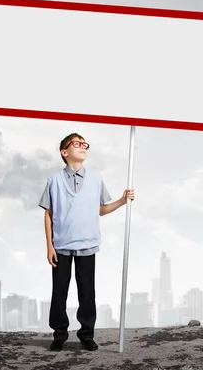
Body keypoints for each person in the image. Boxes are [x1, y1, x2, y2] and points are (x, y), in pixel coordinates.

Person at [38, 133, 135, 351]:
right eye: (77, 144)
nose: (83, 147)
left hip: (87, 244)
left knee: (87, 292)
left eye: (85, 144)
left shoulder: (96, 179)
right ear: (65, 152)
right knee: (59, 291)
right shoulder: (53, 181)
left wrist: (122, 200)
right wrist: (49, 245)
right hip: (61, 246)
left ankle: (86, 334)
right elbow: (48, 214)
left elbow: (100, 209)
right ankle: (60, 334)